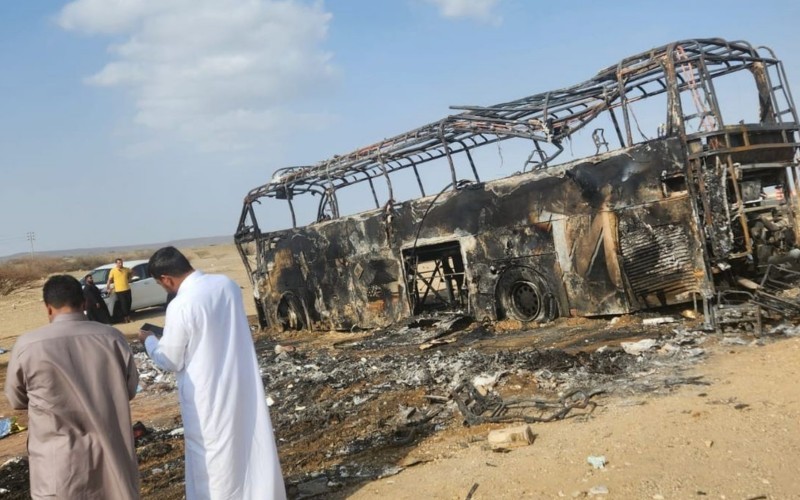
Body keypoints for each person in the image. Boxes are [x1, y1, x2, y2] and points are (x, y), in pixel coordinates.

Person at [138, 246, 286, 499]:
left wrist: (150, 342)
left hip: (208, 396)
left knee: (215, 461)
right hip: (240, 383)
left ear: (166, 279)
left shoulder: (182, 304)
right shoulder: (226, 285)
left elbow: (171, 360)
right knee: (248, 447)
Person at [5, 275, 140, 499]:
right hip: (113, 464)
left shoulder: (27, 346)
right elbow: (130, 390)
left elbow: (17, 399)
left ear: (48, 309)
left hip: (58, 469)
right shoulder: (113, 338)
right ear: (84, 304)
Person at [108, 257, 133, 323]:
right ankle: (126, 318)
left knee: (129, 303)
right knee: (123, 304)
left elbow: (131, 272)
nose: (120, 264)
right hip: (119, 290)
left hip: (127, 289)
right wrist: (108, 288)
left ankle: (129, 317)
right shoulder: (113, 270)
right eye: (119, 263)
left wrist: (130, 278)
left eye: (121, 262)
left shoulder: (126, 269)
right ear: (116, 263)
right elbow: (109, 280)